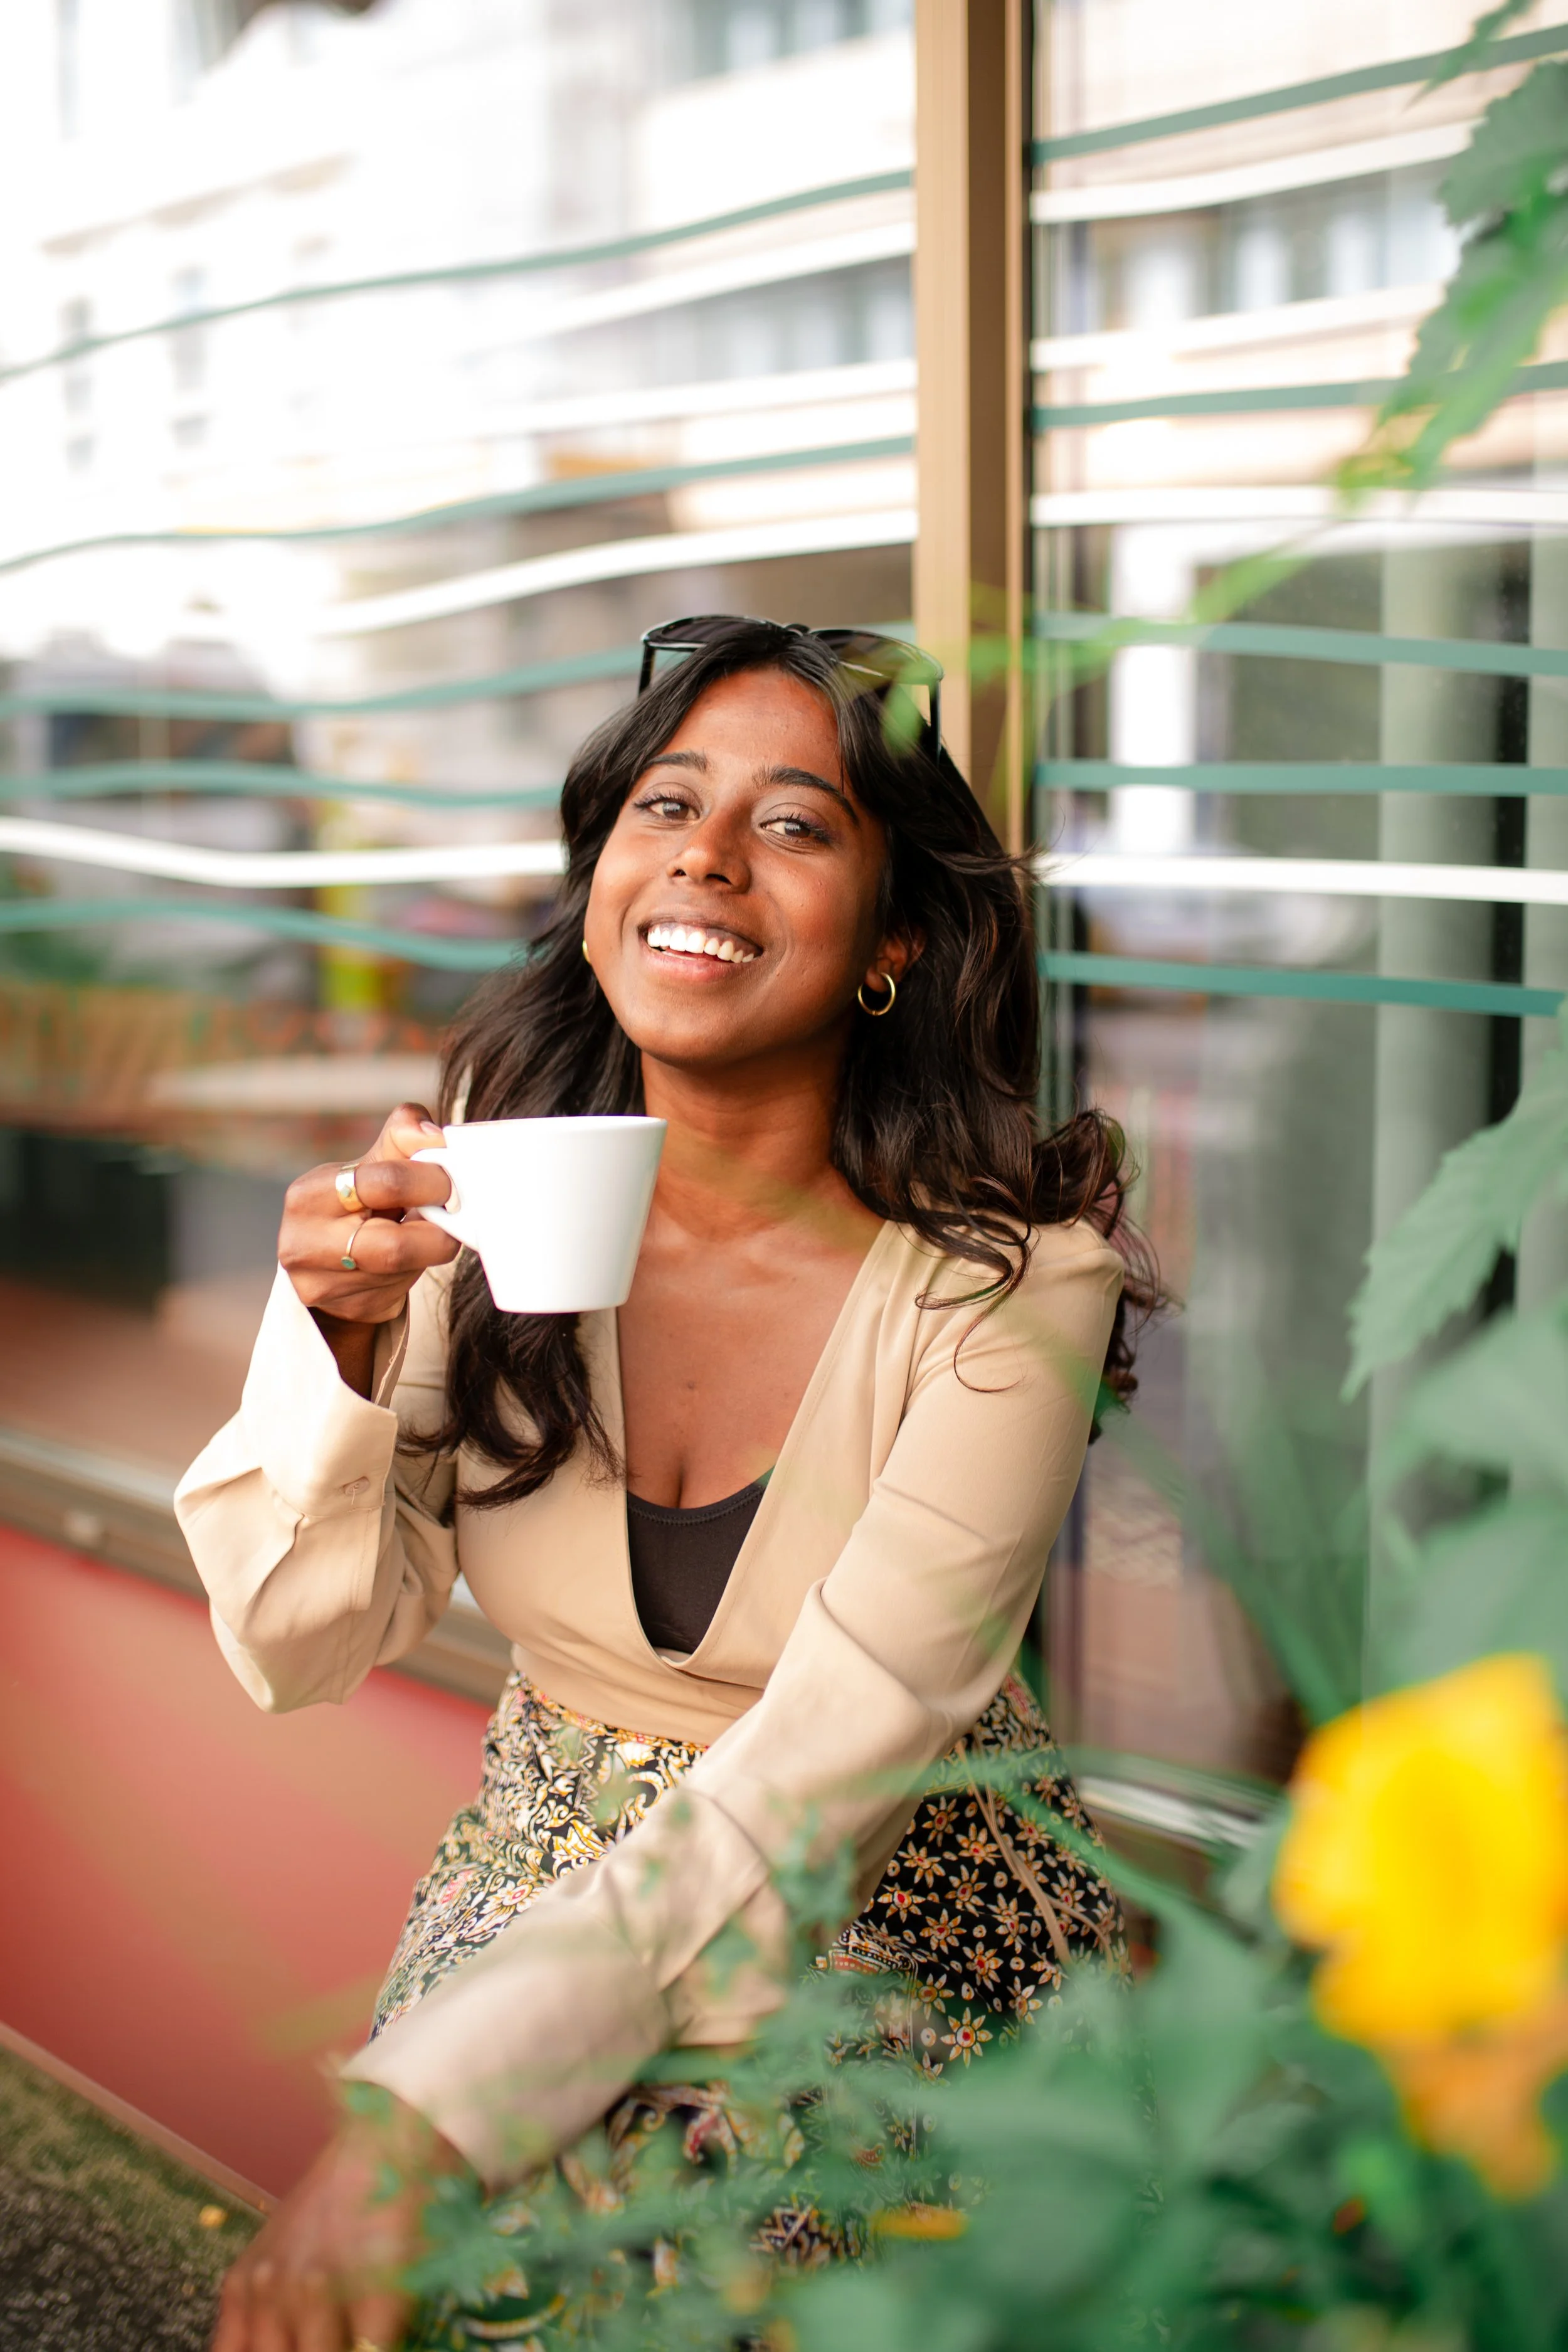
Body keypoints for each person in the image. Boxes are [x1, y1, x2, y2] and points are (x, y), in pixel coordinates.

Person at [176, 616, 1151, 2351]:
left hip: (901, 1902)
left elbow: (817, 1766)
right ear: (602, 873)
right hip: (547, 1867)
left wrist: (421, 2121)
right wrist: (325, 1345)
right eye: (662, 804)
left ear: (891, 939)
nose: (701, 853)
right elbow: (295, 1643)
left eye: (792, 822)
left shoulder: (1017, 1281)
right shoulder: (472, 1188)